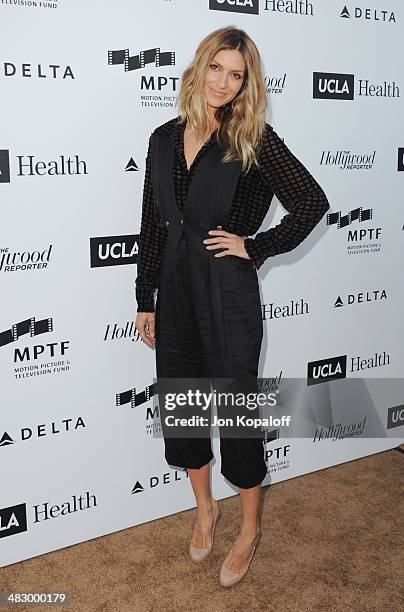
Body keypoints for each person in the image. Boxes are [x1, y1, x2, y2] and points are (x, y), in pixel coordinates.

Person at [134, 26, 330, 587]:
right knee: (186, 406)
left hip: (229, 294)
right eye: (216, 68)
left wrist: (256, 244)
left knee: (239, 416)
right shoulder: (162, 139)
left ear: (247, 83)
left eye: (236, 74)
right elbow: (151, 224)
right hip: (173, 292)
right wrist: (145, 297)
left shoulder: (254, 139)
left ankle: (248, 529)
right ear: (200, 68)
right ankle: (205, 511)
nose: (223, 82)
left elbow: (311, 202)